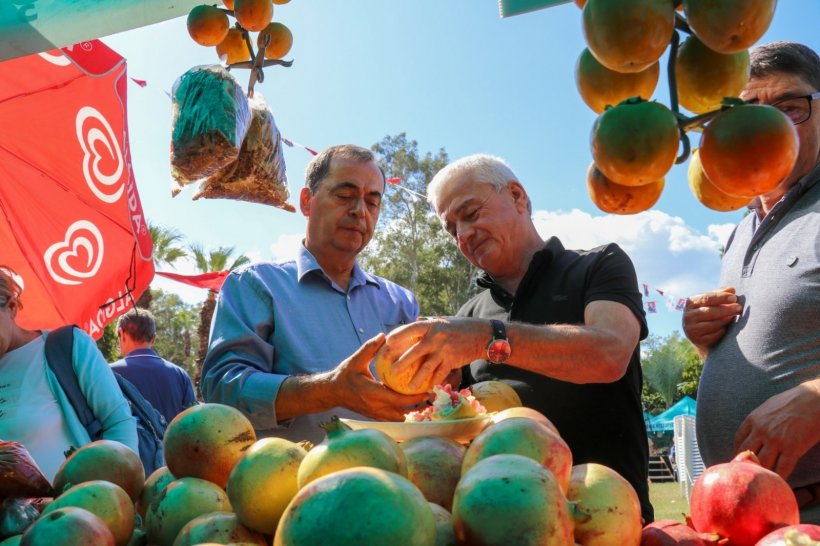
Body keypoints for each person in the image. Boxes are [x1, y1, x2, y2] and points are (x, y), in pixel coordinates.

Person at [379, 154, 654, 522]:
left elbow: (610, 353)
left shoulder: (599, 265)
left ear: (517, 196)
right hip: (505, 525)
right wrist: (433, 394)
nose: (462, 235)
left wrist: (489, 339)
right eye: (451, 228)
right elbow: (455, 428)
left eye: (471, 213)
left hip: (605, 519)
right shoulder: (469, 315)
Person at [201, 144, 428, 443]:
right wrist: (328, 390)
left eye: (372, 203)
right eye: (345, 196)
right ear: (307, 201)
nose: (360, 211)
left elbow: (419, 396)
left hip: (398, 481)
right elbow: (222, 388)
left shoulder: (400, 302)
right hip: (292, 484)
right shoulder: (255, 285)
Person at [683, 41, 820, 522]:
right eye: (749, 111)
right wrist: (707, 343)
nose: (769, 128)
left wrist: (815, 400)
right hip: (744, 516)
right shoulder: (740, 230)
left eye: (790, 108)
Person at [0, 266, 138, 481]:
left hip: (83, 509)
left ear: (10, 307)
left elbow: (118, 422)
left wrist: (116, 494)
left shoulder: (68, 347)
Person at [110, 308, 197, 424]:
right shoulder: (180, 374)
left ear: (122, 334)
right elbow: (194, 422)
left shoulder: (108, 373)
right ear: (154, 339)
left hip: (125, 442)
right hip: (172, 442)